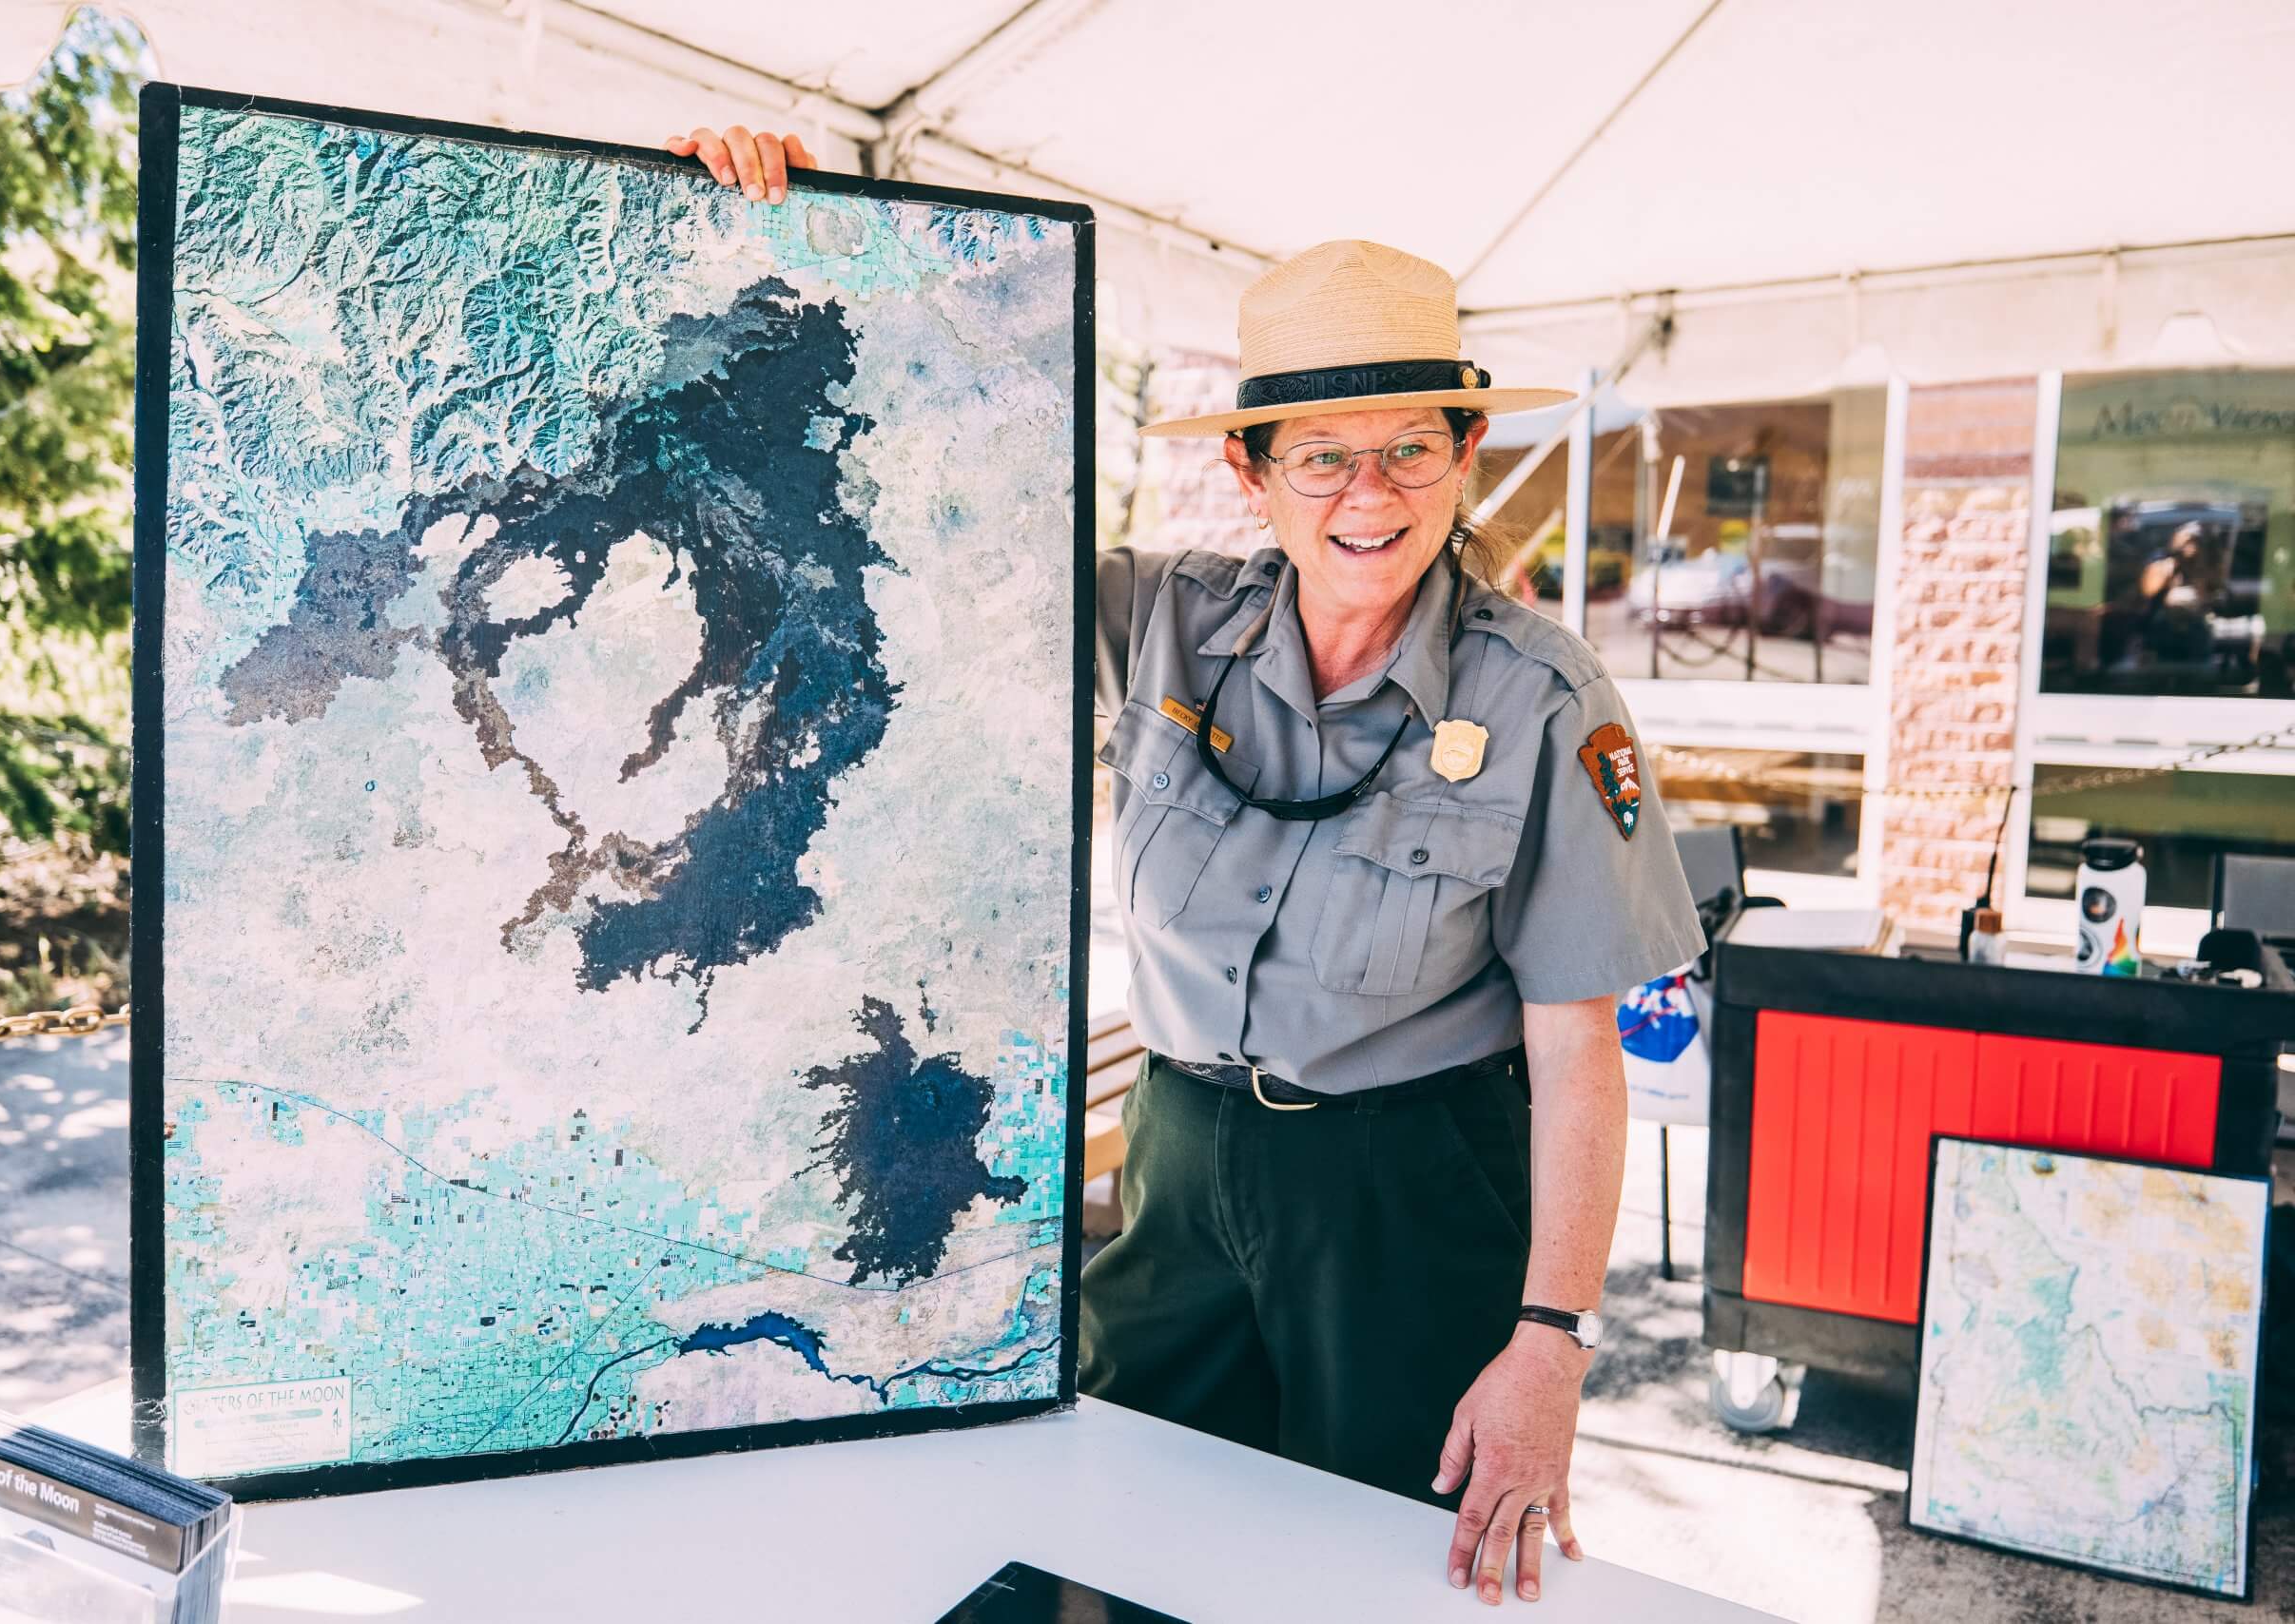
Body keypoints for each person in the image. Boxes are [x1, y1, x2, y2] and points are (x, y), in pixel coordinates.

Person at [668, 125, 1705, 1607]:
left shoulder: (1544, 697)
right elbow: (912, 513)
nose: (1374, 493)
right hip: (1174, 1162)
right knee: (1121, 1537)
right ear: (1253, 470)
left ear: (1467, 452)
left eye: (1416, 444)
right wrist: (783, 241)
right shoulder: (1158, 623)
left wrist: (1552, 1343)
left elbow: (1579, 1045)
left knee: (1383, 1572)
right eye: (1325, 456)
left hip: (1406, 1189)